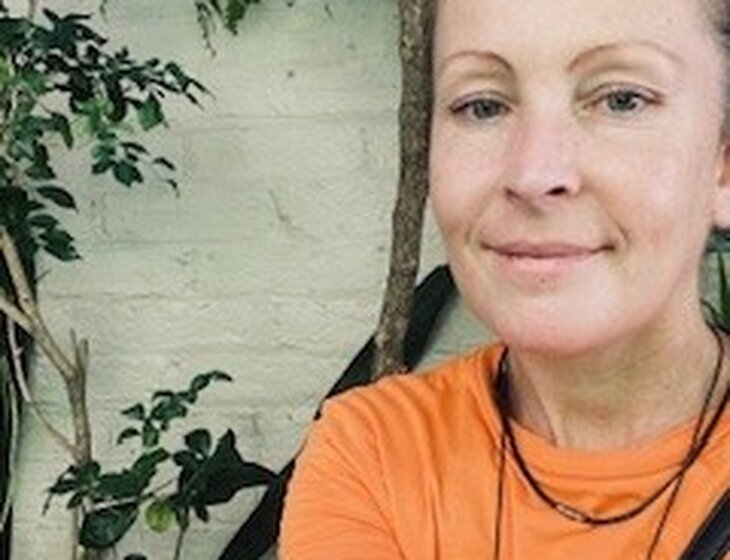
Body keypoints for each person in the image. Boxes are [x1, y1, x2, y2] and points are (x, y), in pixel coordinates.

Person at [279, 0, 730, 558]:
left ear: (723, 162)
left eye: (621, 99)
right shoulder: (377, 454)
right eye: (483, 106)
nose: (533, 174)